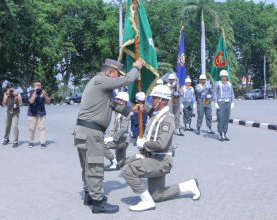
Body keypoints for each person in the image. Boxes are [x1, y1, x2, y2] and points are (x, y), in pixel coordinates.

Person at [74, 58, 143, 214]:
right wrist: (136, 68)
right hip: (91, 132)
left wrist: (133, 109)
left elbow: (113, 105)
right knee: (95, 166)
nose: (117, 77)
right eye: (116, 74)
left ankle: (89, 196)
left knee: (88, 166)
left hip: (85, 131)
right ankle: (98, 202)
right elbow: (128, 80)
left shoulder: (99, 87)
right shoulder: (101, 80)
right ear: (110, 71)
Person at [122, 84, 201, 212]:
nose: (152, 100)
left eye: (155, 98)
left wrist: (144, 145)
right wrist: (141, 100)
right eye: (152, 97)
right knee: (157, 196)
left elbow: (161, 144)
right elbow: (148, 110)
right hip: (154, 159)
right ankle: (189, 185)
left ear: (163, 100)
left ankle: (146, 202)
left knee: (128, 170)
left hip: (161, 161)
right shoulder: (157, 114)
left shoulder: (167, 119)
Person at [103, 91, 131, 171]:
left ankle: (113, 162)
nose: (117, 102)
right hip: (120, 138)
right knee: (122, 163)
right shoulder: (118, 112)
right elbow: (115, 128)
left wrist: (113, 138)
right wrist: (108, 136)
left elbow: (123, 129)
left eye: (118, 100)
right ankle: (119, 163)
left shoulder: (126, 112)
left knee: (101, 145)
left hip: (123, 140)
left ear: (123, 101)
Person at [27, 81, 50, 148]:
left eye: (39, 85)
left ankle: (43, 142)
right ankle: (31, 142)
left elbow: (48, 102)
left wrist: (45, 95)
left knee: (42, 128)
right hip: (32, 114)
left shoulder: (43, 92)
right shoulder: (30, 92)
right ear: (34, 86)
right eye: (37, 85)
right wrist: (35, 93)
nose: (38, 86)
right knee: (31, 129)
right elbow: (31, 101)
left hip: (41, 113)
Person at [214, 70, 235, 141]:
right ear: (220, 77)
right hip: (221, 103)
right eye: (223, 76)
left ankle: (224, 134)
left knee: (226, 119)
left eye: (225, 76)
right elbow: (215, 93)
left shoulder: (229, 84)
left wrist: (232, 102)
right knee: (221, 118)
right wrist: (215, 102)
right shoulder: (218, 83)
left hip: (228, 103)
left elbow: (232, 93)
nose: (224, 78)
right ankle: (220, 134)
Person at [2, 83, 22, 148]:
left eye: (11, 87)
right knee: (7, 126)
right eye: (9, 88)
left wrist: (17, 95)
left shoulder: (17, 93)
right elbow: (4, 103)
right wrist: (7, 95)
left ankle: (15, 141)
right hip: (9, 111)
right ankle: (6, 139)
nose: (10, 89)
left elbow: (21, 103)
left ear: (13, 88)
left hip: (16, 111)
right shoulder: (6, 94)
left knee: (15, 126)